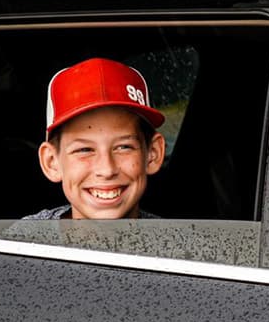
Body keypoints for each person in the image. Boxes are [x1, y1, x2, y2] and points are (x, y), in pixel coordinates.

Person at [24, 57, 167, 220]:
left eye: (124, 147)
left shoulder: (178, 242)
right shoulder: (20, 241)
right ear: (51, 162)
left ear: (153, 153)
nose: (107, 170)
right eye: (84, 150)